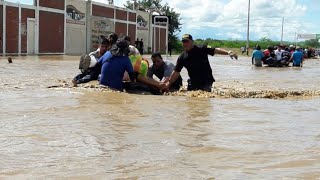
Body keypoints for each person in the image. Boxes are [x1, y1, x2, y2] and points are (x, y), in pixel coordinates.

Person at [163, 34, 238, 92]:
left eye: (187, 41)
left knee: (204, 99)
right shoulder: (182, 57)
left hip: (206, 80)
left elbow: (215, 50)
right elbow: (176, 72)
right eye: (183, 42)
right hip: (193, 81)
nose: (185, 43)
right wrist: (169, 84)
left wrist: (228, 52)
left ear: (192, 41)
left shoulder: (202, 48)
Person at [98, 38, 163, 91]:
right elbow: (132, 77)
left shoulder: (106, 54)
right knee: (137, 81)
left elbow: (97, 65)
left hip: (101, 84)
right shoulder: (125, 59)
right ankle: (157, 88)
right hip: (116, 88)